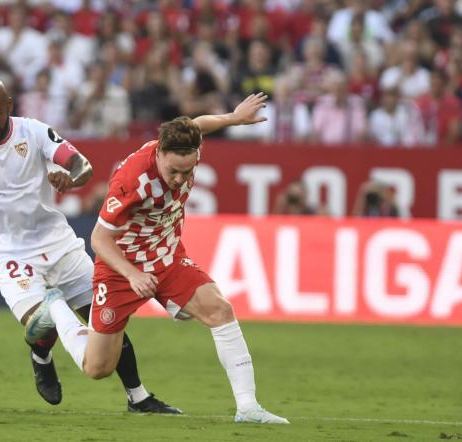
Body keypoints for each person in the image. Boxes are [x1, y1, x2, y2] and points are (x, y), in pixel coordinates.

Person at [30, 92, 289, 424]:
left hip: (166, 257)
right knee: (98, 368)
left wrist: (234, 118)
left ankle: (248, 408)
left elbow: (197, 125)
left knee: (220, 309)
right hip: (120, 267)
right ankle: (54, 305)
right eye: (175, 171)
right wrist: (132, 274)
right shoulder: (131, 180)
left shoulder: (184, 145)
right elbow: (99, 239)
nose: (180, 179)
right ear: (160, 152)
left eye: (188, 170)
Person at [0, 77, 180, 414]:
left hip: (59, 244)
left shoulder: (35, 132)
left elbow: (81, 164)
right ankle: (41, 354)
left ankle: (138, 397)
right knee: (41, 320)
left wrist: (71, 178)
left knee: (105, 320)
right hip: (7, 254)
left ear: (10, 104)